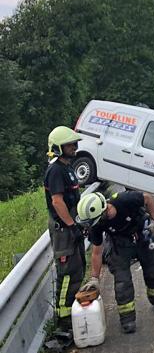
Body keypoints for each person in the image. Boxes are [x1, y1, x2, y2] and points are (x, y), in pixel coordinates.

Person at [76, 191, 154, 334]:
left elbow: (148, 198)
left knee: (152, 271)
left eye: (97, 220)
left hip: (141, 233)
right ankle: (127, 319)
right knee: (122, 282)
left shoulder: (125, 200)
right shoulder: (96, 225)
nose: (95, 224)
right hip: (119, 242)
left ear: (105, 210)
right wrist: (94, 278)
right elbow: (97, 252)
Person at [43, 126, 85, 332]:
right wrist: (71, 225)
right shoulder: (56, 170)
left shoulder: (67, 167)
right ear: (59, 147)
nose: (74, 147)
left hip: (71, 226)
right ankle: (64, 322)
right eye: (70, 144)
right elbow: (57, 202)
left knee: (77, 271)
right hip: (63, 230)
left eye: (74, 143)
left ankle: (74, 315)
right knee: (67, 274)